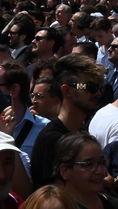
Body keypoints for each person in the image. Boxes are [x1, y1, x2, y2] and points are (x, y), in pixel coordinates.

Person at [30, 54, 105, 189]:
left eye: (99, 87)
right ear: (67, 91)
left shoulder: (81, 131)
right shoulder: (53, 139)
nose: (97, 93)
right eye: (90, 87)